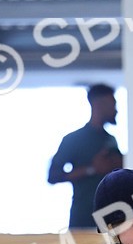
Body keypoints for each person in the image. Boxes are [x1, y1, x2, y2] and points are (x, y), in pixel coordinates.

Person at [48, 83, 124, 229]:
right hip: (83, 220)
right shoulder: (73, 139)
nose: (116, 110)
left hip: (112, 221)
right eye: (112, 104)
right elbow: (53, 176)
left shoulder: (111, 140)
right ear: (98, 104)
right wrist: (92, 169)